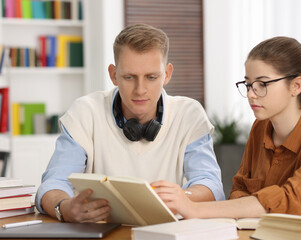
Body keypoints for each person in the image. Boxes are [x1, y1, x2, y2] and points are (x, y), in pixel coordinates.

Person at [35, 23, 225, 223]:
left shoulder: (189, 114)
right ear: (113, 74)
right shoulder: (85, 112)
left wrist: (181, 198)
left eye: (151, 77)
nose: (140, 89)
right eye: (129, 77)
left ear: (167, 74)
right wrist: (64, 208)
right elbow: (53, 184)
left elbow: (210, 184)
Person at [152, 36, 301, 218]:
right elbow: (238, 189)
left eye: (262, 84)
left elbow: (292, 199)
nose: (251, 94)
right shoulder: (260, 128)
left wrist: (193, 208)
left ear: (296, 86)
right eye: (248, 84)